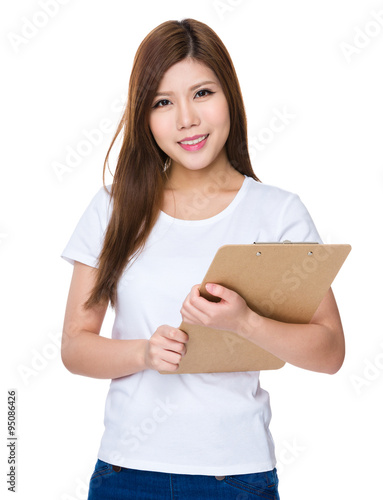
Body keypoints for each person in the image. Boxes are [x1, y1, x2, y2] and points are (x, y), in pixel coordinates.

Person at [60, 18, 345, 500]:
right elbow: (74, 346)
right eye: (163, 102)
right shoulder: (113, 207)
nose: (186, 119)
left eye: (203, 93)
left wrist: (246, 323)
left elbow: (330, 351)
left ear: (229, 95)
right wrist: (144, 353)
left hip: (235, 476)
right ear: (144, 115)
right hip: (126, 474)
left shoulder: (277, 212)